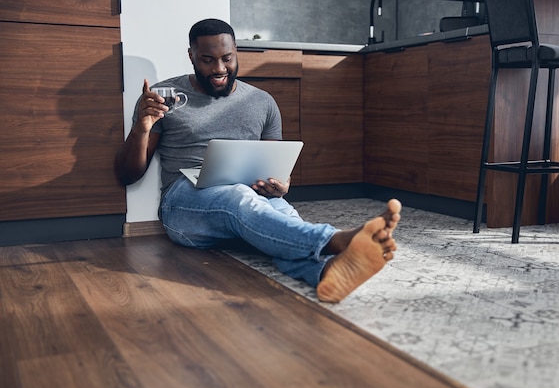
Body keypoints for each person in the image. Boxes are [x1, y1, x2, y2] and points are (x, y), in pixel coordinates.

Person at [114, 18, 402, 303]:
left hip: (249, 202)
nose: (219, 69)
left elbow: (276, 168)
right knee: (240, 197)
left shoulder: (262, 102)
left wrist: (280, 185)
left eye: (227, 58)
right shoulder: (162, 98)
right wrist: (142, 127)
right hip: (184, 206)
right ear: (191, 56)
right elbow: (128, 174)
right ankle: (337, 240)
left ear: (237, 52)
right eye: (207, 60)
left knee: (281, 212)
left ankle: (327, 273)